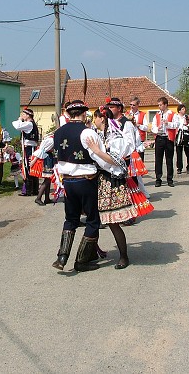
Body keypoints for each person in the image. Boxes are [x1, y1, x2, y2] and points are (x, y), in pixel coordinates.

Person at [51, 100, 118, 272]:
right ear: (83, 114)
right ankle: (81, 261)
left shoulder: (58, 132)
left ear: (68, 114)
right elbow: (100, 158)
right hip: (86, 180)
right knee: (93, 220)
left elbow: (48, 152)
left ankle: (62, 257)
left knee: (71, 219)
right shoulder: (88, 132)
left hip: (67, 181)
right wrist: (114, 169)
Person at [90, 107, 138, 270]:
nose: (93, 120)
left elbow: (115, 160)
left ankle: (124, 256)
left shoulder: (114, 135)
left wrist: (96, 151)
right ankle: (91, 252)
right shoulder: (101, 134)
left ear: (101, 118)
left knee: (113, 222)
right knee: (97, 219)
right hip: (102, 179)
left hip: (113, 181)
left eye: (94, 117)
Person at [150, 96, 178, 187]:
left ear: (165, 105)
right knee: (158, 159)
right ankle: (158, 179)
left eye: (160, 105)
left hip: (168, 138)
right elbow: (153, 126)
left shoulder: (173, 114)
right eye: (158, 105)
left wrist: (167, 123)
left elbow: (176, 125)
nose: (159, 107)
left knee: (169, 159)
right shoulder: (157, 115)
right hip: (159, 137)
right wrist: (157, 129)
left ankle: (170, 179)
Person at [12, 108, 39, 196]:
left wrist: (19, 119)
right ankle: (34, 189)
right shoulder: (30, 124)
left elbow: (17, 125)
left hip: (29, 148)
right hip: (29, 147)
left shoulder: (29, 124)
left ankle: (29, 190)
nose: (22, 116)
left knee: (28, 167)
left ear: (28, 115)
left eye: (23, 114)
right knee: (30, 167)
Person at [29, 133, 55, 206]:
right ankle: (38, 198)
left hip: (47, 157)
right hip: (47, 158)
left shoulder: (49, 139)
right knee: (47, 179)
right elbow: (48, 149)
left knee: (48, 179)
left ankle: (47, 198)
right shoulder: (51, 140)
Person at [174, 104, 189, 175]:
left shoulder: (187, 117)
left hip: (187, 135)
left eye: (184, 109)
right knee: (179, 153)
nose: (184, 110)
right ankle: (179, 168)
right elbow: (175, 125)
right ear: (179, 110)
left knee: (188, 153)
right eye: (183, 109)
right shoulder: (176, 117)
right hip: (179, 136)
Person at [127, 96, 148, 161]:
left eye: (134, 105)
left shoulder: (142, 114)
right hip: (129, 140)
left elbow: (146, 128)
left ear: (137, 105)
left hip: (140, 140)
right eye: (130, 104)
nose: (132, 106)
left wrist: (138, 125)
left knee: (140, 160)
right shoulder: (126, 114)